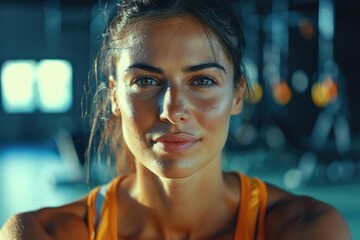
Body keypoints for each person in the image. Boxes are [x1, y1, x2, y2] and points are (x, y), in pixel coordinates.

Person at [0, 0, 351, 239]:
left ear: (238, 94)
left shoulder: (307, 229)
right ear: (114, 97)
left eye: (202, 81)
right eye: (146, 81)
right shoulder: (41, 234)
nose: (173, 109)